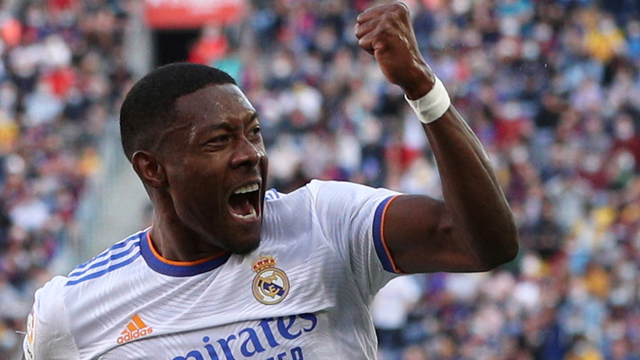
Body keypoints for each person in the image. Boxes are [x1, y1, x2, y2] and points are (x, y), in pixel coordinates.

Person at [22, 3, 518, 359]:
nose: (251, 155)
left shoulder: (324, 222)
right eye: (219, 141)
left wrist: (423, 89)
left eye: (254, 132)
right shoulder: (71, 311)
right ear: (152, 168)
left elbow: (485, 245)